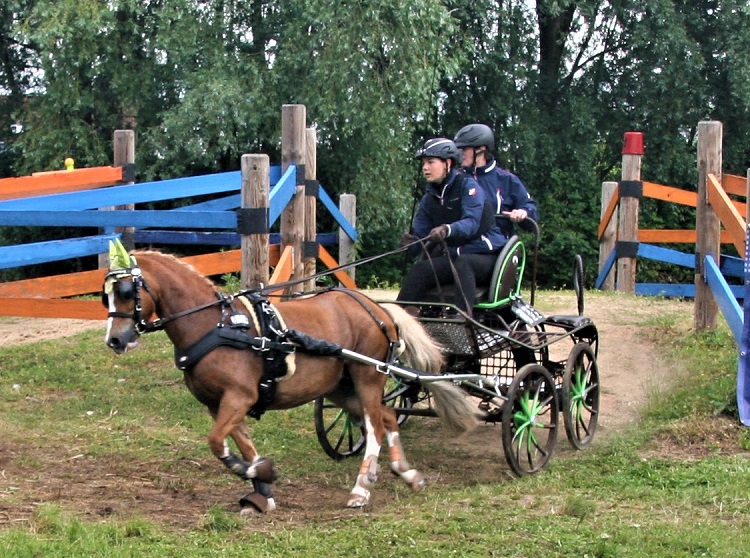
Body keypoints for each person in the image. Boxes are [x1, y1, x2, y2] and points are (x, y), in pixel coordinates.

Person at [397, 138, 508, 315]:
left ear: (447, 163)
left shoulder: (469, 186)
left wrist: (447, 229)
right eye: (424, 163)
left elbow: (471, 223)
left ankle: (462, 321)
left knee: (463, 263)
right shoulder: (429, 198)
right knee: (421, 269)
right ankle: (400, 321)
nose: (425, 167)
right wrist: (410, 245)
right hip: (454, 258)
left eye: (430, 162)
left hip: (486, 256)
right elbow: (421, 235)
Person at [453, 123, 539, 239]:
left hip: (496, 244)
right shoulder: (455, 179)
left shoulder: (507, 180)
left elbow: (531, 213)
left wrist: (523, 212)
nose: (460, 154)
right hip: (460, 242)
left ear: (481, 149)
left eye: (465, 149)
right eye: (458, 149)